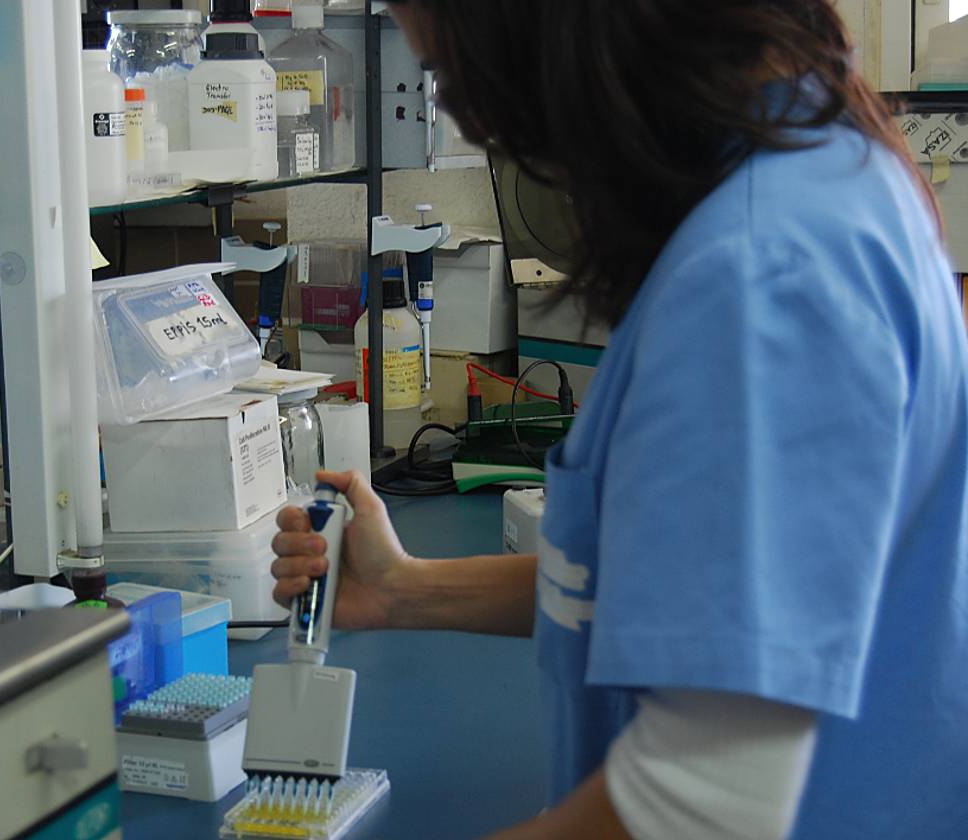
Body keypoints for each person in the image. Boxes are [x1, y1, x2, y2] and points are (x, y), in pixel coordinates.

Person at [273, 2, 968, 839]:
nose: (476, 125)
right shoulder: (820, 167)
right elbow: (683, 589)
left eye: (458, 78)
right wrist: (405, 589)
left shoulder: (757, 273)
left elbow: (697, 808)